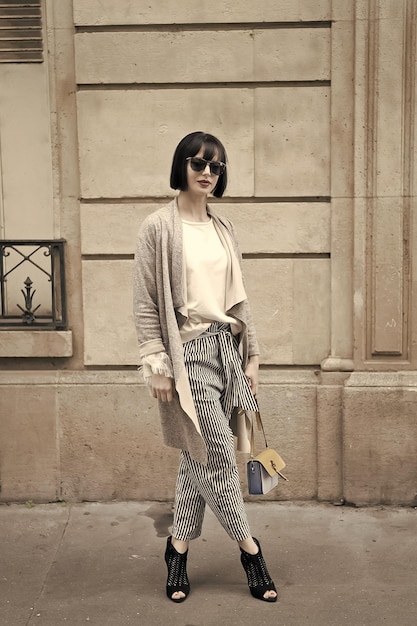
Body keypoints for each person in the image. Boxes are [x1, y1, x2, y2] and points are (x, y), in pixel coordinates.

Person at [133, 131, 277, 603]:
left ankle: (177, 549)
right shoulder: (158, 226)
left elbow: (238, 297)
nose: (206, 173)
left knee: (196, 456)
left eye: (214, 166)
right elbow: (146, 302)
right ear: (182, 166)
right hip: (188, 354)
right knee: (215, 453)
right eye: (197, 163)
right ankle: (250, 550)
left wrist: (252, 354)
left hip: (226, 352)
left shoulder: (223, 228)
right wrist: (157, 362)